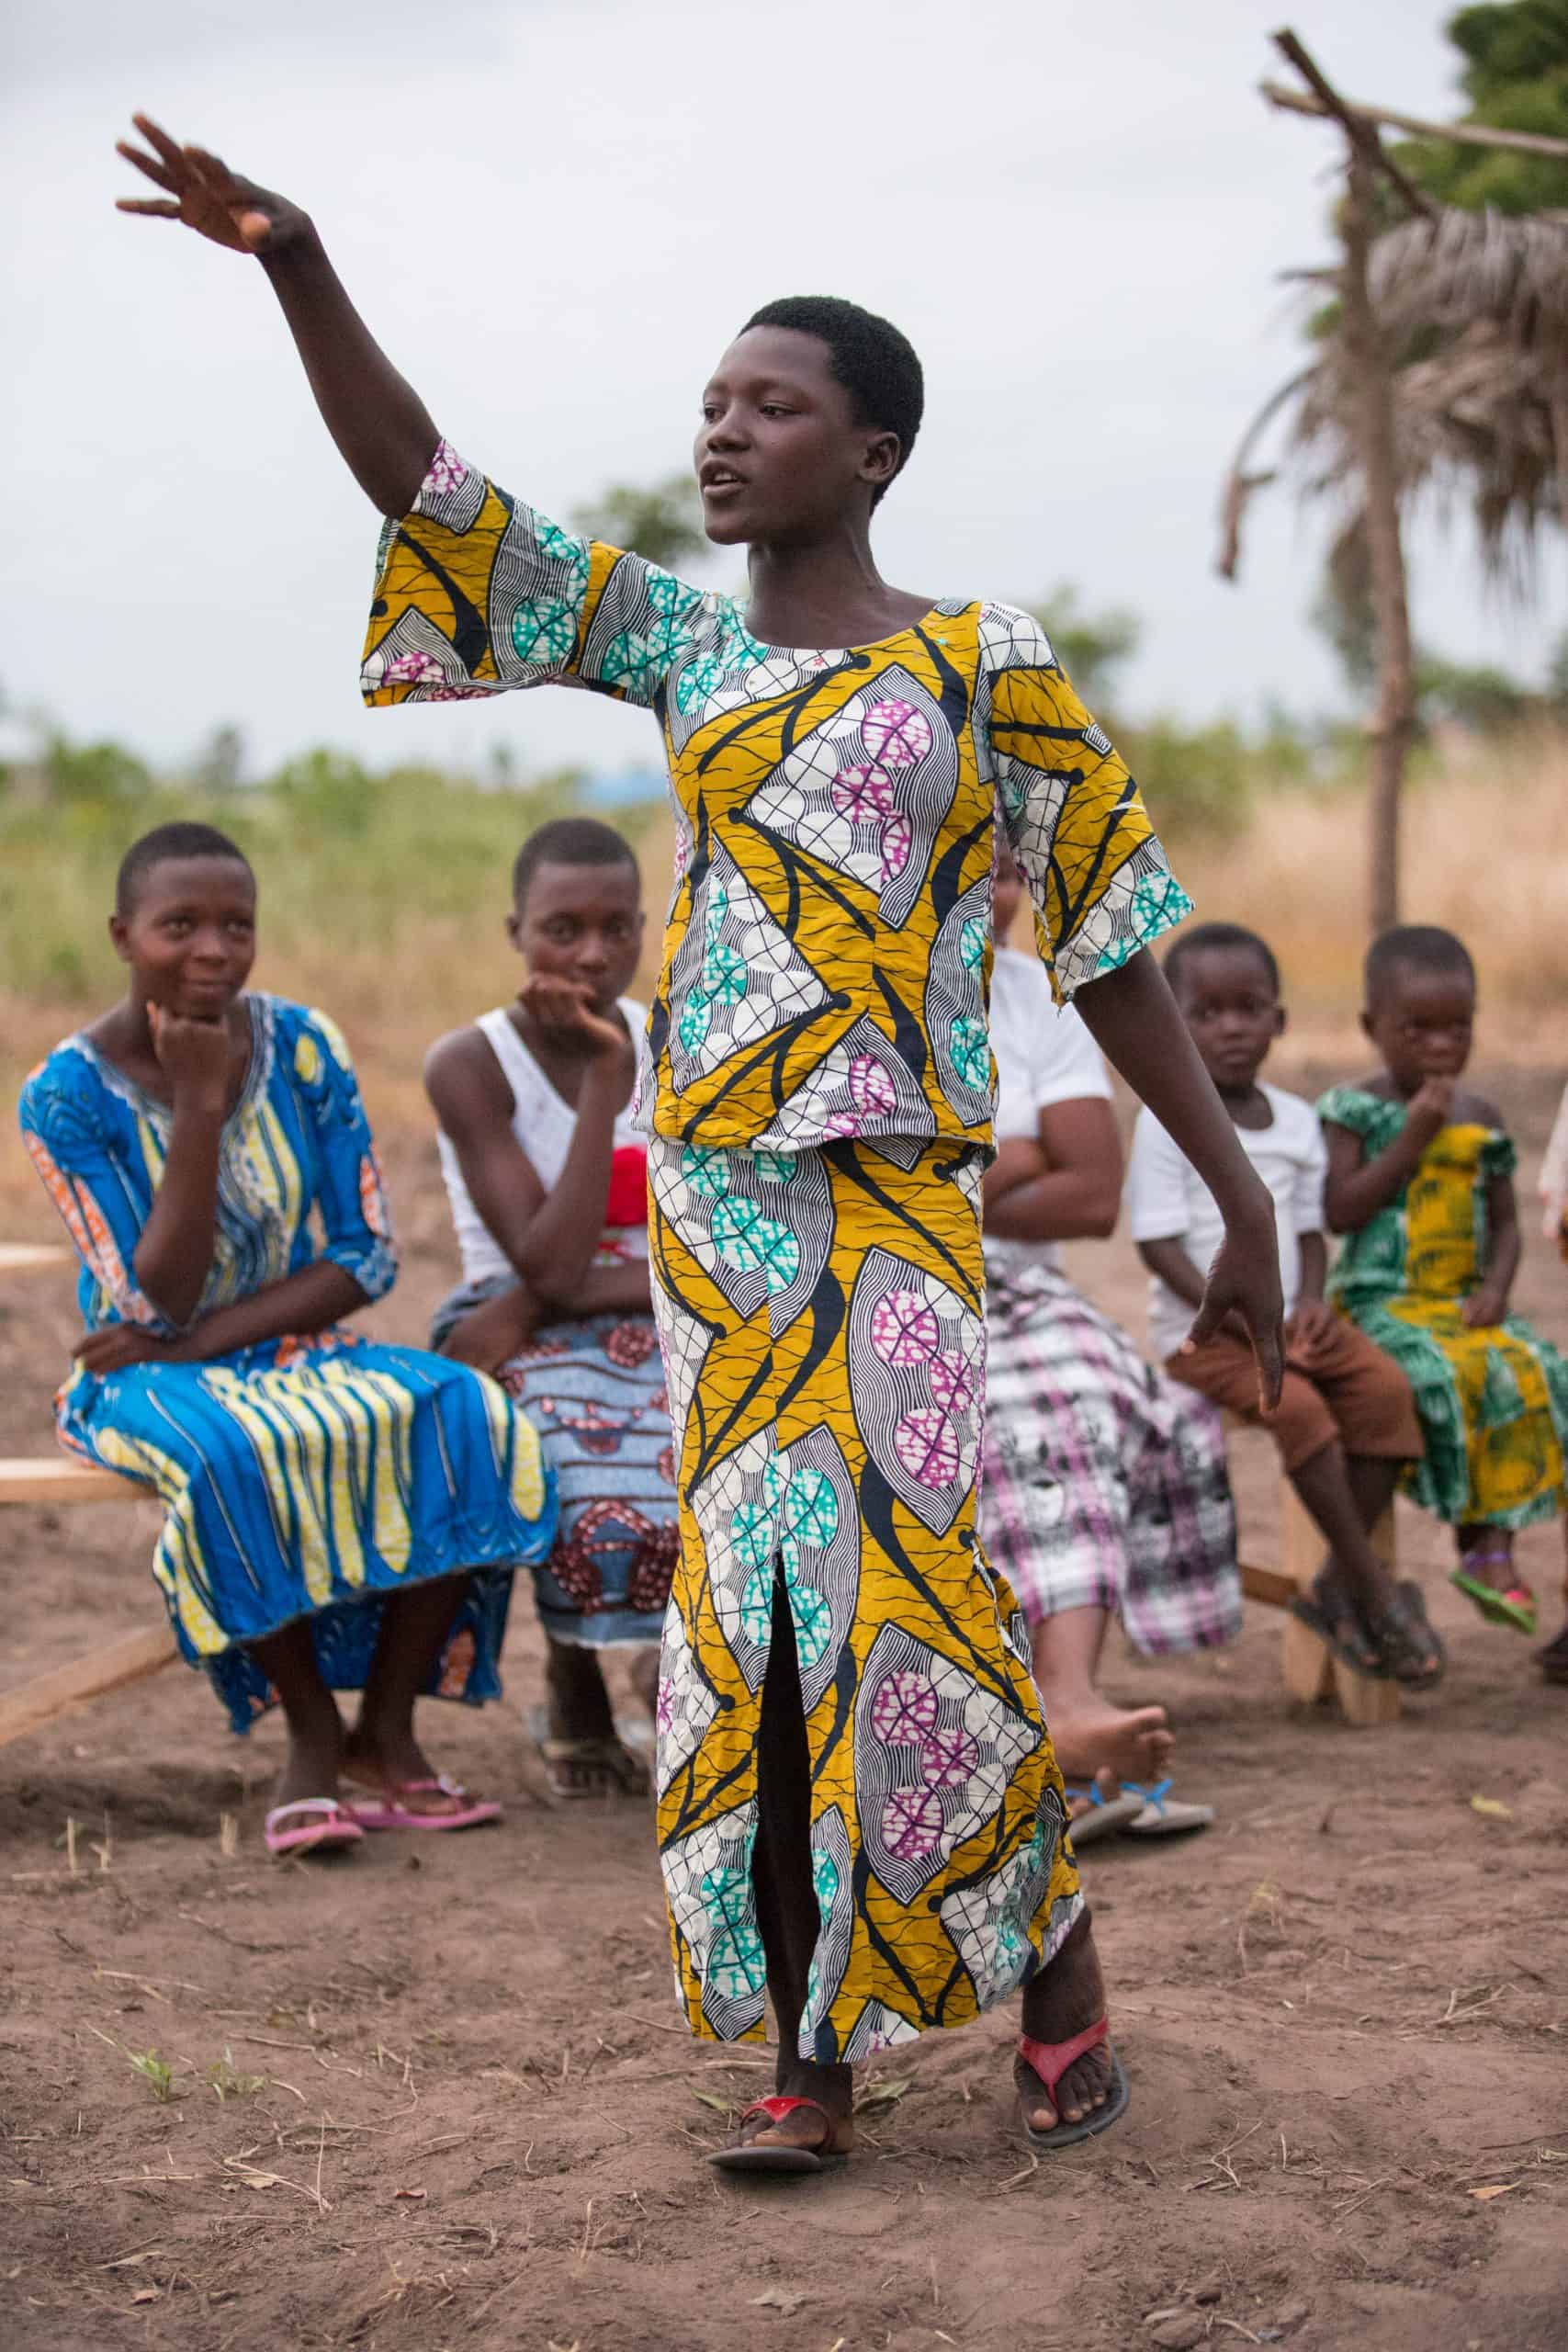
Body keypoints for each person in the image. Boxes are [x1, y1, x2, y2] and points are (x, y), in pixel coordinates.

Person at [114, 117, 1287, 2172]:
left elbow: (1108, 934)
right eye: (711, 404)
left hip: (904, 1192)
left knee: (919, 1592)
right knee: (753, 1609)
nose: (724, 434)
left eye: (775, 403)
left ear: (874, 449)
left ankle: (1052, 1964)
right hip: (732, 1199)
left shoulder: (983, 663)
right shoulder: (680, 645)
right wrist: (297, 261)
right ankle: (804, 2045)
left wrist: (1241, 1181)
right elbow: (436, 496)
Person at [18, 822, 555, 1856]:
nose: (214, 949)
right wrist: (204, 1104)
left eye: (237, 925)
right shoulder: (63, 1096)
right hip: (137, 1378)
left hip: (274, 1346)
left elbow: (364, 1257)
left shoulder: (304, 1045)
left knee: (464, 1412)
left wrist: (203, 1338)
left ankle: (386, 1732)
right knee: (233, 1453)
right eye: (181, 926)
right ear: (124, 936)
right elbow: (154, 1301)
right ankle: (312, 1738)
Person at [981, 847, 1238, 1837]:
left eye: (1010, 865)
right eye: (969, 854)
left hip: (1022, 1290)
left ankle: (1067, 1700)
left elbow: (1093, 1196)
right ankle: (1033, 1720)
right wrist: (1020, 1154)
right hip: (886, 1286)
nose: (993, 887)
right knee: (972, 1407)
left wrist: (958, 1175)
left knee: (1084, 1384)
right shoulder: (855, 988)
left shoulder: (1039, 1000)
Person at [425, 816, 678, 1797]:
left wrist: (585, 1290)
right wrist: (608, 1080)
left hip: (639, 1304)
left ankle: (678, 1673)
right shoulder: (471, 1063)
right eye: (561, 929)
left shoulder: (683, 1036)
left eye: (617, 929)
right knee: (571, 1459)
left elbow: (703, 1231)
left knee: (720, 1451)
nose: (591, 954)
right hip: (517, 1305)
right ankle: (575, 1677)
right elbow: (547, 1259)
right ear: (514, 932)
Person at [1128, 922, 1441, 1686]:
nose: (1231, 1027)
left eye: (1248, 1007)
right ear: (1171, 1022)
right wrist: (1235, 1313)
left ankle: (1335, 1586)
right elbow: (1158, 1247)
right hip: (1204, 1334)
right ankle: (1372, 1590)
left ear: (1280, 1020)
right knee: (1297, 1409)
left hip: (1288, 1322)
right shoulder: (1163, 1124)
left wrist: (1306, 1304)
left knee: (1387, 1393)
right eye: (1204, 1012)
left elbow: (1306, 1235)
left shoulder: (1298, 1121)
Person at [1319, 924, 1568, 1683]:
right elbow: (1342, 1211)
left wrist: (1494, 1289)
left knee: (1531, 1368)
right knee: (1434, 1376)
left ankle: (1489, 1545)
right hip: (1378, 1300)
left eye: (1455, 1028)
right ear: (1372, 1029)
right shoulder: (1351, 1110)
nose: (1438, 1045)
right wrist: (1413, 1135)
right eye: (1415, 1029)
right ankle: (1468, 1539)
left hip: (1458, 1300)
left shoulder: (1483, 1116)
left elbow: (1504, 1226)